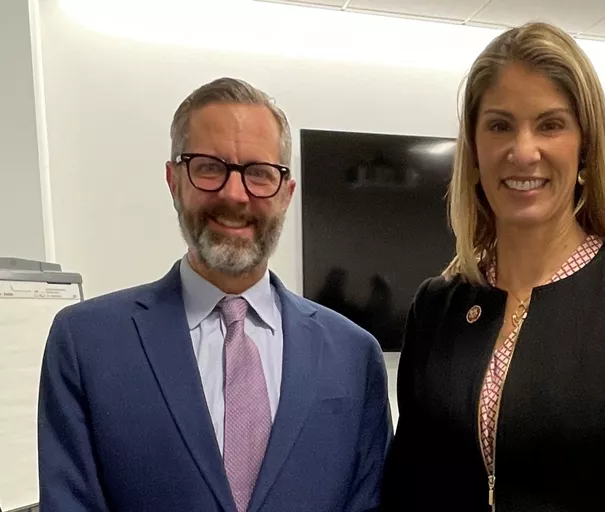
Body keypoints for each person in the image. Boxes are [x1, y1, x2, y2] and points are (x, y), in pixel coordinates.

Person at [381, 22, 605, 512]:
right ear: (474, 148)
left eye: (550, 124)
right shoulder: (437, 304)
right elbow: (410, 484)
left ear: (585, 147)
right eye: (499, 125)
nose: (523, 151)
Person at [38, 77, 392, 512]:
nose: (234, 194)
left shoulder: (354, 356)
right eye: (209, 167)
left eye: (259, 174)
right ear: (173, 180)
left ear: (286, 194)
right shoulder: (85, 344)